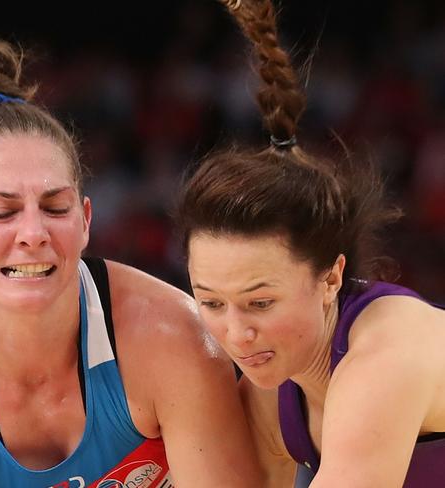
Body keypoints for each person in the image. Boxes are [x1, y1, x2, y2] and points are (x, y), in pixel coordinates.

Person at [0, 37, 262, 488]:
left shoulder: (172, 337)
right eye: (3, 212)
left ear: (85, 221)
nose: (34, 233)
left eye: (55, 207)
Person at [176, 0, 445, 487]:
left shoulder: (389, 352)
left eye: (260, 302)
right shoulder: (271, 387)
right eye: (211, 302)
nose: (236, 334)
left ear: (331, 277)